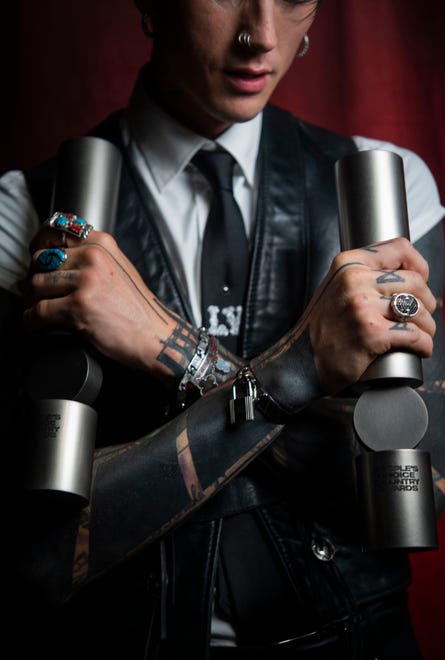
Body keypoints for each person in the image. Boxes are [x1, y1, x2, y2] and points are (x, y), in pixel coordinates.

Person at [1, 1, 444, 658]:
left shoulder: (390, 186)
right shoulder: (26, 211)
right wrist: (300, 381)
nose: (259, 37)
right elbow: (32, 559)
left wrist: (168, 345)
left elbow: (417, 496)